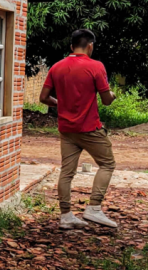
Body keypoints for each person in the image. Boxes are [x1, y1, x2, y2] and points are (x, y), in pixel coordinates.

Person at [39, 29, 117, 230]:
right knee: (107, 164)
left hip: (67, 129)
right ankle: (94, 208)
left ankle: (66, 215)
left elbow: (44, 98)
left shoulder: (57, 67)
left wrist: (61, 103)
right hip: (90, 128)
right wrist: (113, 94)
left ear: (71, 46)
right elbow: (106, 101)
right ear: (90, 45)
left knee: (67, 172)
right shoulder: (95, 66)